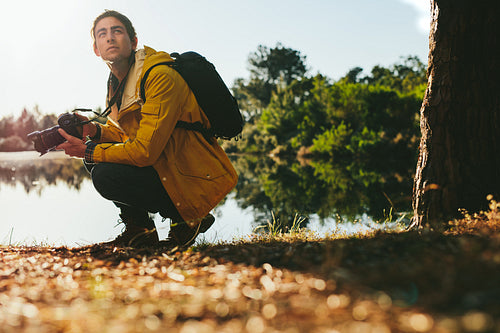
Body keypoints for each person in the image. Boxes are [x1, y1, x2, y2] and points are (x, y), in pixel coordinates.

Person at [56, 10, 238, 248]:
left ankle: (189, 217)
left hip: (192, 177)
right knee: (96, 155)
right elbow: (126, 135)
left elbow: (144, 151)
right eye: (102, 34)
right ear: (96, 49)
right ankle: (139, 231)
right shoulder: (118, 83)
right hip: (168, 168)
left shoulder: (159, 76)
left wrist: (88, 151)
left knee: (104, 174)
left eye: (117, 31)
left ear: (133, 42)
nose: (110, 37)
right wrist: (93, 131)